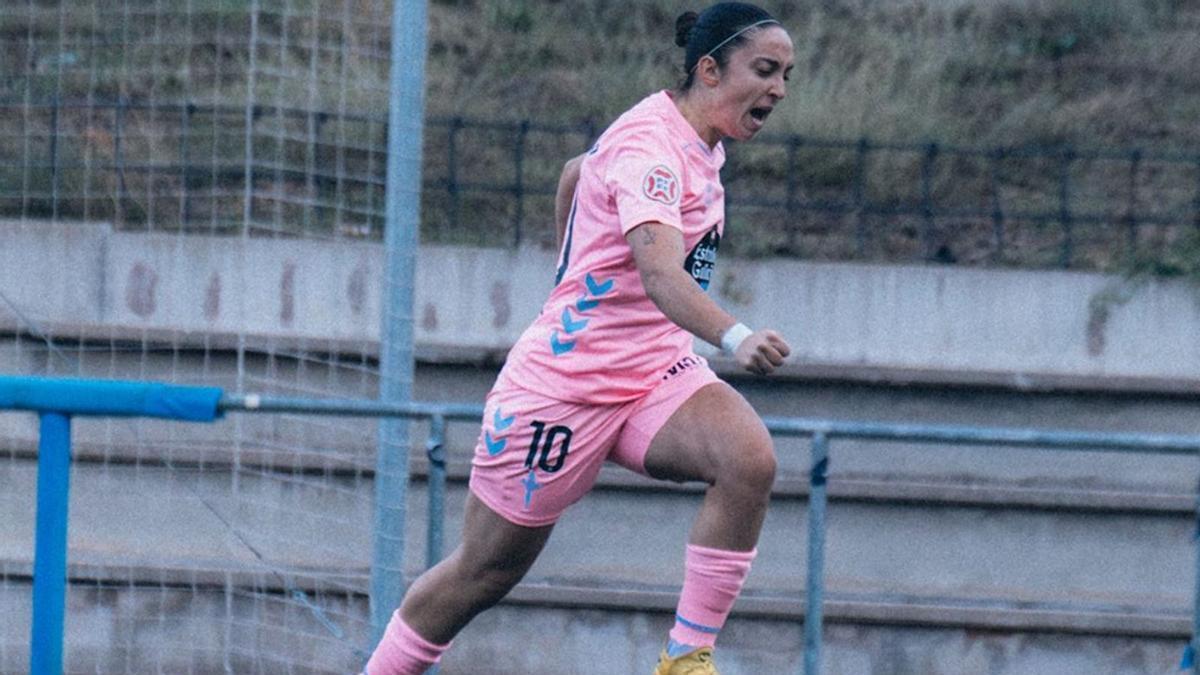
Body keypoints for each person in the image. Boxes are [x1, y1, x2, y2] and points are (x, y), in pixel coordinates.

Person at [366, 3, 794, 673]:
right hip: (564, 390)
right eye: (765, 70)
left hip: (652, 372)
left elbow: (577, 170)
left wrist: (573, 267)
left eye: (786, 76)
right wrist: (734, 336)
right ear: (710, 70)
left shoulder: (698, 141)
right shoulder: (652, 151)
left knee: (748, 459)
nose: (778, 89)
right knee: (483, 572)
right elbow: (660, 274)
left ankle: (685, 658)